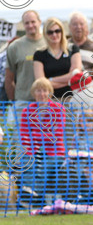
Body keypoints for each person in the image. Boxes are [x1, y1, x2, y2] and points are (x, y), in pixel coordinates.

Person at [5, 11, 47, 139]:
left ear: (39, 22)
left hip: (47, 102)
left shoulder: (49, 42)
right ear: (23, 25)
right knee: (23, 143)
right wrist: (15, 101)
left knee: (48, 143)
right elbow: (9, 78)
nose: (30, 25)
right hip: (24, 102)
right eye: (26, 23)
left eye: (33, 22)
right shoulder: (14, 47)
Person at [33, 18, 82, 101]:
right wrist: (68, 81)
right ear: (45, 34)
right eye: (50, 32)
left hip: (72, 99)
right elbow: (41, 83)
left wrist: (50, 80)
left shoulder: (73, 49)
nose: (54, 34)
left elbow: (76, 75)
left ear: (62, 32)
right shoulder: (39, 54)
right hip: (50, 101)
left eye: (57, 31)